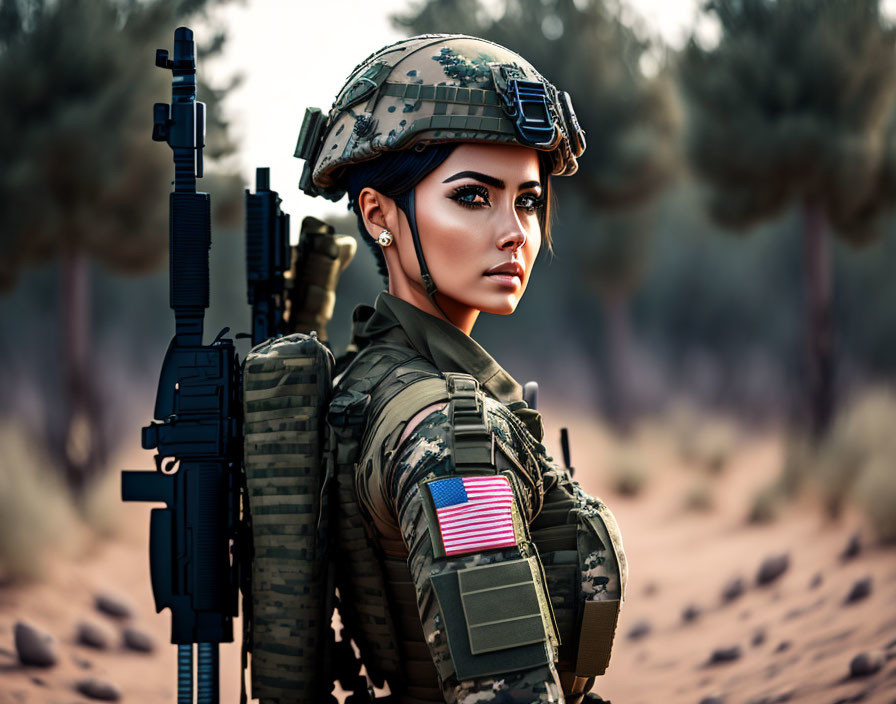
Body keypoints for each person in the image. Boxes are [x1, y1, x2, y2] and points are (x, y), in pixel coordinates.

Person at [296, 34, 627, 704]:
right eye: (474, 196)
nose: (515, 232)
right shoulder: (452, 438)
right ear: (379, 215)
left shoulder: (369, 378)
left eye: (528, 200)